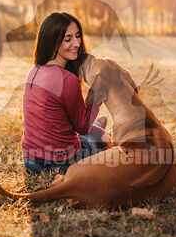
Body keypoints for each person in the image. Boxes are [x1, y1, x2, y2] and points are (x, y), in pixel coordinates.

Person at [21, 12, 110, 174]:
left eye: (77, 36)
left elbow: (64, 121)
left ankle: (98, 127)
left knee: (90, 128)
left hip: (31, 162)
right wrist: (97, 94)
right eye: (68, 39)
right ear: (52, 42)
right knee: (103, 138)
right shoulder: (67, 80)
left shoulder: (34, 70)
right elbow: (81, 127)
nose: (76, 43)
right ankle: (100, 130)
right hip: (61, 163)